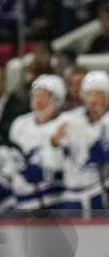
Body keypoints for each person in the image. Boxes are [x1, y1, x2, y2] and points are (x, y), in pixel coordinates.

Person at [46, 70, 109, 215]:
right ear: (83, 96)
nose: (94, 99)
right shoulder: (69, 120)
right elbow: (53, 164)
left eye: (99, 94)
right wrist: (54, 143)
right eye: (90, 94)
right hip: (71, 196)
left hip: (100, 193)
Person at [8, 74, 68, 210]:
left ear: (57, 100)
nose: (38, 100)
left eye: (44, 96)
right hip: (22, 202)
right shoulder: (20, 124)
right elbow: (12, 159)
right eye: (36, 95)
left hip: (55, 200)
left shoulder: (65, 124)